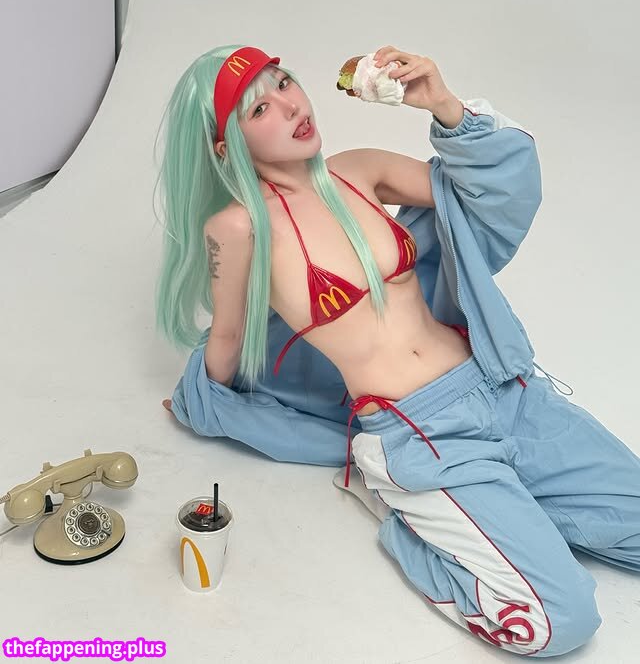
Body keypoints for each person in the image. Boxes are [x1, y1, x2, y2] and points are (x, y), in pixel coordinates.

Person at [154, 44, 640, 656]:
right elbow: (228, 336)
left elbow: (485, 191)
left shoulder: (359, 170)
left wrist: (443, 104)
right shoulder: (237, 228)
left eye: (284, 82)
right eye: (259, 108)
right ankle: (407, 518)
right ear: (226, 147)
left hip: (500, 388)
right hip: (423, 438)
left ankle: (513, 515)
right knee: (560, 621)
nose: (291, 105)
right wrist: (203, 403)